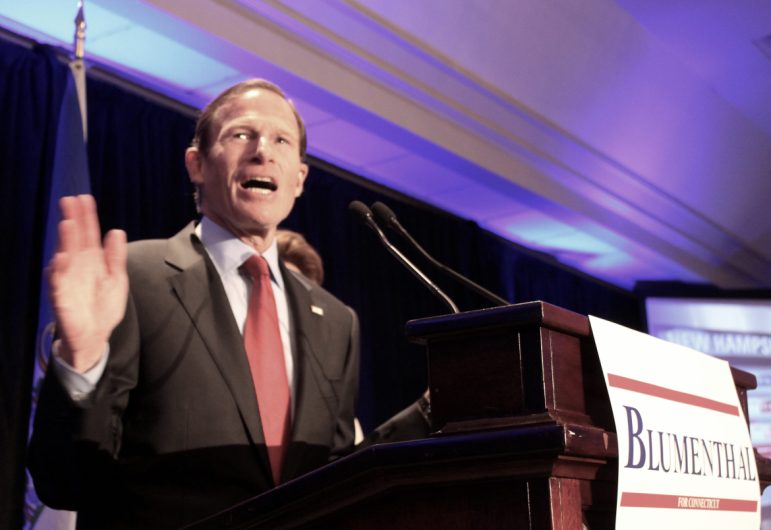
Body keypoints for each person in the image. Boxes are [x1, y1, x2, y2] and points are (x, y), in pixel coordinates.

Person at [28, 79, 429, 529]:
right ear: (196, 164)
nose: (262, 151)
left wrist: (430, 412)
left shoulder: (337, 321)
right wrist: (81, 364)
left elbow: (333, 481)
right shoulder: (133, 278)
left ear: (299, 179)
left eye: (281, 140)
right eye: (241, 134)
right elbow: (65, 482)